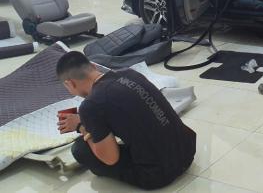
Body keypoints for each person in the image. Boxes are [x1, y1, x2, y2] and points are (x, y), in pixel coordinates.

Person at [56, 52, 196, 190]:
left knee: (81, 149)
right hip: (188, 151)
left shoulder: (90, 105)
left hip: (158, 174)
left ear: (69, 83)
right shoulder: (129, 74)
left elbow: (110, 159)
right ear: (93, 66)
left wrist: (81, 126)